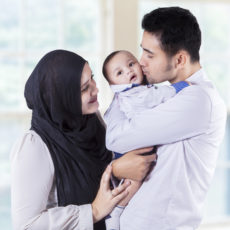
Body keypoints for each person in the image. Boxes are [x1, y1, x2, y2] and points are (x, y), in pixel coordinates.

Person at [107, 7, 227, 230]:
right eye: (142, 51)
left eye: (150, 55)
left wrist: (119, 92)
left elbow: (115, 138)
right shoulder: (165, 95)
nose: (141, 62)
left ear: (180, 59)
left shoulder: (197, 99)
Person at [10, 50, 156, 230]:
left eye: (92, 78)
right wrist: (94, 210)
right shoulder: (34, 147)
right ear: (63, 99)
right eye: (84, 88)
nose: (96, 89)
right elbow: (26, 225)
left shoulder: (91, 120)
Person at [101, 50, 189, 229]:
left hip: (135, 144)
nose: (128, 71)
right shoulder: (132, 95)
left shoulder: (135, 90)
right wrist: (178, 88)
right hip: (127, 150)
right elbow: (153, 98)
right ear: (112, 84)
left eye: (131, 64)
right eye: (119, 73)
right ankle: (116, 210)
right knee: (132, 182)